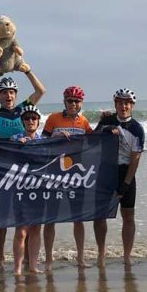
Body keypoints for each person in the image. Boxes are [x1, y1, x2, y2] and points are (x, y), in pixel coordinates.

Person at [0, 67, 46, 270]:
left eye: (11, 92)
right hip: (0, 166)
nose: (8, 95)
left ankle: (29, 259)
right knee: (3, 215)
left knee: (26, 215)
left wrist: (28, 71)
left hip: (24, 166)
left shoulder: (24, 109)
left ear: (15, 95)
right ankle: (2, 256)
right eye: (4, 92)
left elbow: (41, 91)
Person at [42, 85, 94, 268]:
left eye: (76, 101)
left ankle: (80, 258)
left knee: (78, 218)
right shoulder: (53, 118)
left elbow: (96, 141)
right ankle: (48, 259)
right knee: (51, 217)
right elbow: (40, 142)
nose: (73, 104)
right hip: (55, 173)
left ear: (81, 103)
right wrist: (55, 136)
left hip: (76, 175)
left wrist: (107, 124)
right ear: (64, 102)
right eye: (70, 101)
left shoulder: (84, 121)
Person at [93, 88, 145, 268]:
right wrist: (103, 127)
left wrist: (126, 183)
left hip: (126, 172)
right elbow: (91, 140)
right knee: (99, 216)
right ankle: (101, 254)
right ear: (115, 104)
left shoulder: (137, 129)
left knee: (128, 216)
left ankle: (127, 255)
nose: (123, 106)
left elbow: (135, 158)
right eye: (120, 102)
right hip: (106, 171)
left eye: (127, 103)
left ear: (132, 105)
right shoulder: (107, 120)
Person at [11, 104, 44, 275]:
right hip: (21, 189)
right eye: (27, 118)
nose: (30, 121)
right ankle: (17, 268)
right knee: (22, 230)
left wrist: (62, 136)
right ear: (22, 121)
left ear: (38, 121)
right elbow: (5, 150)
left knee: (36, 229)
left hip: (39, 189)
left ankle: (32, 265)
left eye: (34, 118)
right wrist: (17, 144)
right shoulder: (16, 137)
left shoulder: (43, 140)